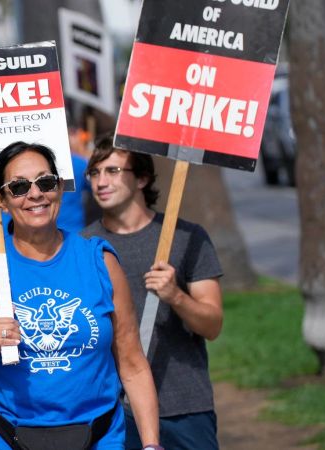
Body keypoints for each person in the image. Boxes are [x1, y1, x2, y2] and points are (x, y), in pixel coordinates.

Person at [0, 141, 161, 450]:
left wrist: (151, 444)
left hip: (98, 436)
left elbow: (132, 364)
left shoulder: (99, 260)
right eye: (19, 187)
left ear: (61, 187)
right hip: (3, 436)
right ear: (0, 199)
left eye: (46, 182)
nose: (35, 194)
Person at [81, 136, 224, 450]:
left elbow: (212, 325)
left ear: (142, 178)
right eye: (95, 172)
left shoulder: (187, 237)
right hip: (111, 410)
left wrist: (176, 295)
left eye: (114, 171)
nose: (101, 181)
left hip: (184, 405)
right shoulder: (81, 247)